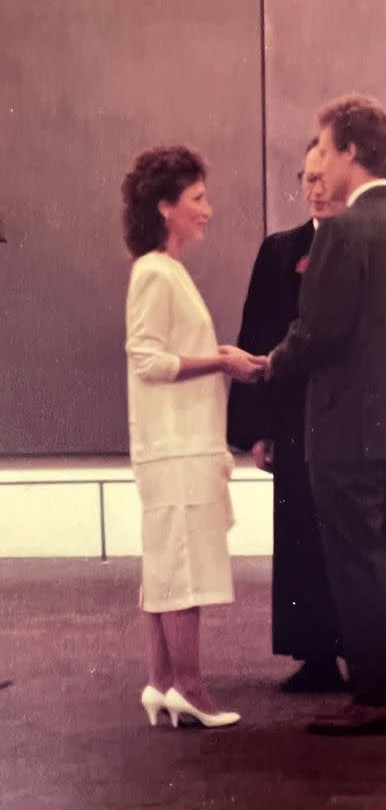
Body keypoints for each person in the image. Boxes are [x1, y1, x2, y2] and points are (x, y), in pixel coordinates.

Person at [267, 94, 386, 735]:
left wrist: (268, 363)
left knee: (358, 559)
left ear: (350, 151)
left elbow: (316, 334)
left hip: (348, 430)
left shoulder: (345, 232)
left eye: (321, 148)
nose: (316, 163)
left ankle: (378, 697)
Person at [122, 146, 264, 729]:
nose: (208, 208)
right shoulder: (155, 272)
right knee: (184, 570)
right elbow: (147, 359)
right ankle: (190, 687)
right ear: (165, 207)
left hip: (176, 447)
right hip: (176, 448)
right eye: (198, 198)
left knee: (166, 567)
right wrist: (221, 363)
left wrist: (218, 358)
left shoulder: (165, 271)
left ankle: (161, 683)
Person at [227, 139, 346, 692]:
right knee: (298, 532)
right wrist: (257, 430)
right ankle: (314, 656)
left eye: (324, 177)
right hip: (294, 419)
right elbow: (256, 338)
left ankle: (364, 653)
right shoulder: (279, 251)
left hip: (350, 417)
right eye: (307, 177)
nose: (314, 188)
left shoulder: (364, 247)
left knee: (352, 536)